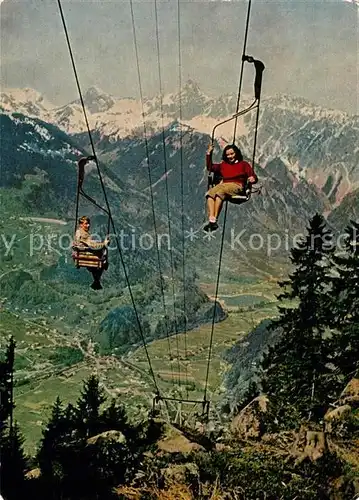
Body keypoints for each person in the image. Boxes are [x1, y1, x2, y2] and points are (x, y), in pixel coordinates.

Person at [204, 143, 257, 232]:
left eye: (232, 154)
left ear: (236, 153)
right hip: (224, 185)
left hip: (237, 185)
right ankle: (211, 218)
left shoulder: (243, 164)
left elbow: (253, 176)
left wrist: (253, 179)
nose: (230, 156)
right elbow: (210, 167)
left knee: (220, 192)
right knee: (210, 193)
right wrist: (209, 153)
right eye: (228, 154)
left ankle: (215, 219)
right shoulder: (223, 165)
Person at [73, 216, 110, 290]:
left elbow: (85, 243)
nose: (88, 225)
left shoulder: (78, 232)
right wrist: (104, 243)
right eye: (86, 224)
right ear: (81, 225)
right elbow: (92, 245)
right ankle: (97, 280)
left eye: (88, 223)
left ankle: (96, 281)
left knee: (94, 267)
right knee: (102, 257)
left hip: (82, 255)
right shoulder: (83, 234)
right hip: (87, 257)